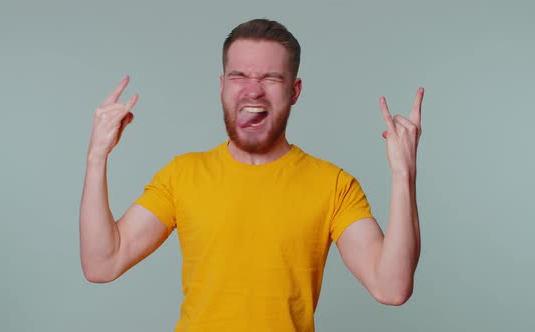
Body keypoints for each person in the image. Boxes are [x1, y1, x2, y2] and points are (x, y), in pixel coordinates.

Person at [80, 19, 423, 332]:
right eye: (239, 76)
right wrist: (97, 156)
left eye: (271, 78)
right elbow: (103, 263)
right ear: (222, 86)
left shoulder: (333, 185)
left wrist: (403, 173)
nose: (253, 90)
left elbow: (391, 287)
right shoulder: (182, 175)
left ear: (294, 91)